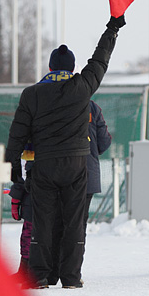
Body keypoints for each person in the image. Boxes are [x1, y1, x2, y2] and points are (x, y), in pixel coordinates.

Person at [5, 15, 125, 289]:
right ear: (72, 69)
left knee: (43, 221)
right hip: (76, 164)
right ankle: (70, 277)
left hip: (45, 165)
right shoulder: (82, 88)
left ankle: (38, 276)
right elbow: (99, 61)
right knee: (73, 222)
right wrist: (112, 28)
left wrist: (15, 176)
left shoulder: (31, 95)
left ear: (49, 68)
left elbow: (16, 138)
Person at [48, 99, 112, 285]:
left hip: (56, 171)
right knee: (77, 225)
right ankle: (72, 275)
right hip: (86, 174)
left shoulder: (49, 101)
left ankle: (51, 272)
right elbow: (104, 142)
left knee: (54, 222)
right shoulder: (91, 106)